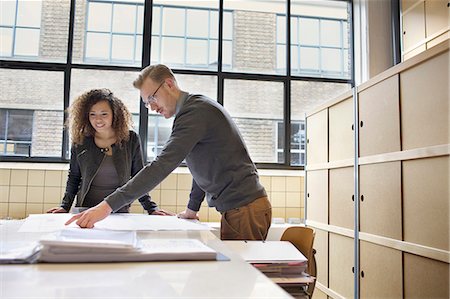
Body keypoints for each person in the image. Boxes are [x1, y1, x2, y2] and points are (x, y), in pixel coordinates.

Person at [66, 65, 272, 240]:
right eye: (147, 103)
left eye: (152, 98)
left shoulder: (195, 112)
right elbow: (200, 168)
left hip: (245, 209)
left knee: (238, 282)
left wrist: (106, 206)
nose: (152, 107)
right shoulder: (190, 113)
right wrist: (192, 210)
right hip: (240, 209)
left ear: (169, 84)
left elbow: (162, 166)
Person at [47, 88, 172, 216]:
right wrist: (64, 206)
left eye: (104, 114)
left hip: (118, 211)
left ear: (115, 114)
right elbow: (74, 176)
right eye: (92, 114)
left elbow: (138, 177)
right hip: (86, 210)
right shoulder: (81, 141)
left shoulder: (130, 139)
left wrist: (151, 208)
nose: (98, 120)